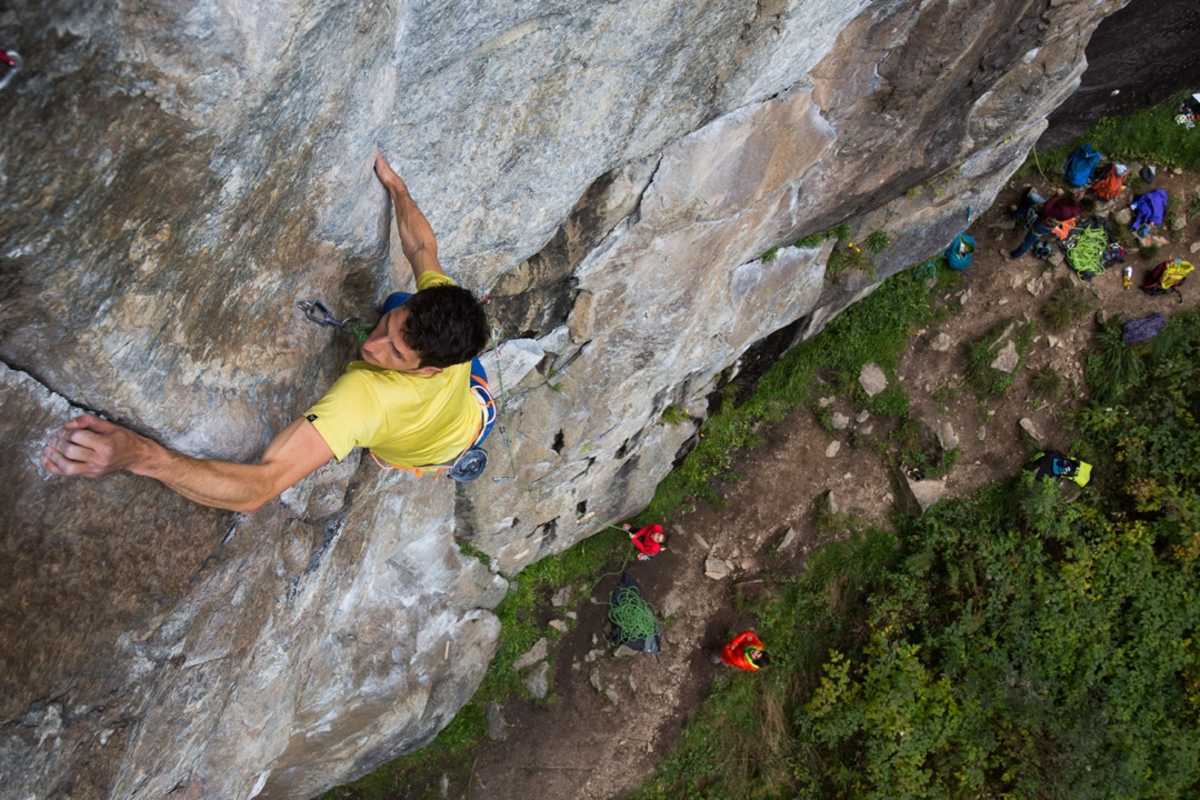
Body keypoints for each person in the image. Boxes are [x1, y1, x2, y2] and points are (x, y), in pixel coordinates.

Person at [40, 152, 490, 512]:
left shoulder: (364, 399)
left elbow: (260, 487)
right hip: (472, 402)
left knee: (391, 321)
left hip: (432, 448)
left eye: (393, 353)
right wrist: (397, 188)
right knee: (394, 301)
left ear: (429, 371)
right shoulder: (439, 303)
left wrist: (140, 456)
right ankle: (421, 356)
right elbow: (421, 246)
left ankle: (427, 455)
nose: (371, 346)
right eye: (386, 333)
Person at [1009, 189, 1082, 259]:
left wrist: (1056, 196)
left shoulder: (1066, 211)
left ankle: (1015, 254)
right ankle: (1017, 215)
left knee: (1028, 241)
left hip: (1044, 223)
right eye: (1079, 191)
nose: (1076, 192)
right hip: (1050, 211)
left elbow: (1046, 210)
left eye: (1078, 194)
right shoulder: (1074, 202)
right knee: (1032, 197)